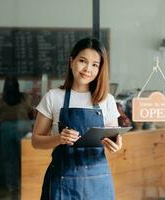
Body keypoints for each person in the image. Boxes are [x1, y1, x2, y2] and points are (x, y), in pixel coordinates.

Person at [32, 37, 121, 200]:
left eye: (95, 64)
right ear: (71, 61)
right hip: (62, 181)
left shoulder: (106, 100)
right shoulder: (53, 97)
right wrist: (59, 139)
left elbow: (113, 136)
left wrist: (116, 144)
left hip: (98, 182)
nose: (88, 68)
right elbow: (36, 141)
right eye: (82, 61)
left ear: (100, 69)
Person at [0, 75, 34, 193]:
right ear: (18, 85)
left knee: (9, 158)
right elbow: (30, 110)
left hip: (6, 127)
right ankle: (25, 183)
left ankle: (12, 184)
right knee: (24, 157)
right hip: (22, 126)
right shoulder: (24, 97)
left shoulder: (1, 97)